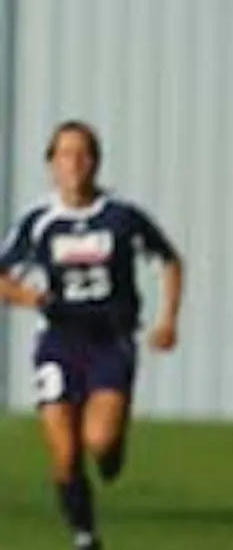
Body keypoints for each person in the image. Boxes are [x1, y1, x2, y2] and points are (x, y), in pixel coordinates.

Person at [0, 120, 185, 550]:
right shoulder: (40, 221)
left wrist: (168, 319)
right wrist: (32, 298)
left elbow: (169, 259)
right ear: (51, 164)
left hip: (110, 342)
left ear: (96, 162)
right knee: (64, 455)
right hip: (59, 343)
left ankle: (112, 449)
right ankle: (85, 536)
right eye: (65, 154)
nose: (75, 163)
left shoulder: (121, 217)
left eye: (83, 154)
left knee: (98, 442)